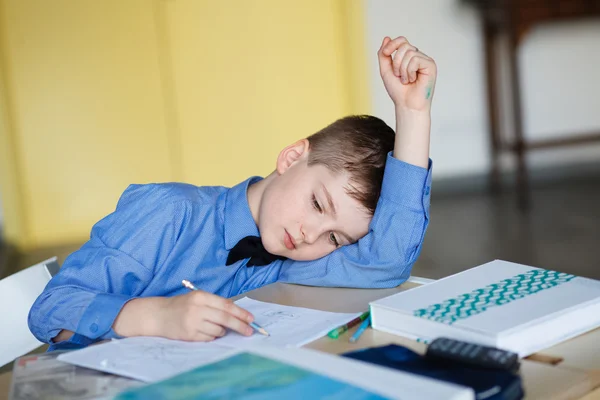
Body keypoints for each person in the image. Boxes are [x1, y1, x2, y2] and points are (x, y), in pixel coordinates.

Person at [29, 36, 436, 350]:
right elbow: (50, 309)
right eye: (317, 204)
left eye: (335, 238)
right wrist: (153, 317)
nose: (312, 235)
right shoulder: (170, 213)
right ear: (292, 156)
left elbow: (389, 260)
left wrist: (414, 114)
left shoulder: (289, 263)